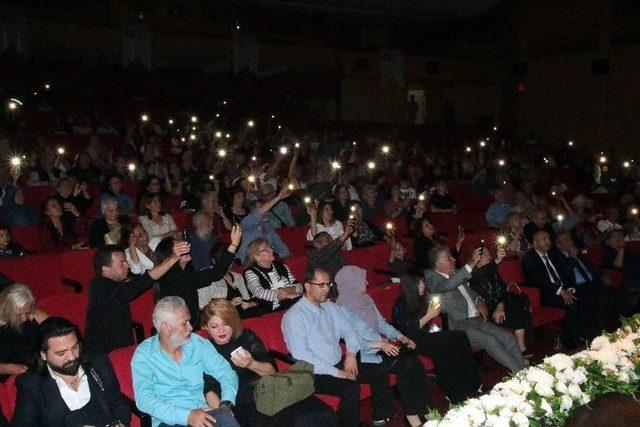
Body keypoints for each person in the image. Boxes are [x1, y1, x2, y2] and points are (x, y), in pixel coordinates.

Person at [202, 299, 337, 426]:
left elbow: (272, 370)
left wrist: (251, 364)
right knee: (298, 420)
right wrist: (225, 414)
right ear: (206, 327)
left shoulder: (246, 336)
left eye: (226, 323)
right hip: (244, 403)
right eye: (214, 326)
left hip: (272, 387)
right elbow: (210, 390)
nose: (221, 330)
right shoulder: (205, 350)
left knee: (323, 412)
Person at [335, 266, 432, 427]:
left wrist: (400, 336)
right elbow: (354, 341)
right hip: (363, 356)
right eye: (362, 280)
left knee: (415, 363)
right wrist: (381, 345)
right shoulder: (341, 309)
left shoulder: (366, 299)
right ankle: (412, 416)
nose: (367, 282)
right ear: (351, 283)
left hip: (382, 349)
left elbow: (381, 324)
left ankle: (426, 409)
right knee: (407, 364)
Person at [132, 296, 239, 427]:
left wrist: (226, 403)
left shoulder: (197, 343)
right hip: (169, 420)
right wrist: (186, 415)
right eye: (184, 323)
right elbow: (144, 399)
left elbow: (226, 372)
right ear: (166, 328)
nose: (190, 327)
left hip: (203, 412)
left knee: (224, 416)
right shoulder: (144, 354)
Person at [12, 317, 130, 427]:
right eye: (61, 353)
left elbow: (118, 401)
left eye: (75, 347)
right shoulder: (32, 384)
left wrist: (119, 423)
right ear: (43, 355)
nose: (72, 357)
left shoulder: (97, 363)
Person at [424, 245, 526, 372]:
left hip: (476, 319)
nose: (454, 260)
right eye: (449, 258)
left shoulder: (454, 273)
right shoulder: (431, 277)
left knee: (508, 337)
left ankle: (524, 369)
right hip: (459, 324)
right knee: (490, 340)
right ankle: (521, 373)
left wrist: (479, 300)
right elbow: (446, 286)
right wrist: (470, 264)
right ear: (437, 265)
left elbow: (469, 292)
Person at [281, 267, 361, 427]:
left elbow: (350, 331)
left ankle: (381, 416)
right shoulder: (295, 315)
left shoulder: (329, 306)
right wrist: (336, 372)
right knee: (350, 388)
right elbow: (302, 355)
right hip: (313, 373)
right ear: (308, 286)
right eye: (322, 285)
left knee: (378, 365)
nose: (327, 289)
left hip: (338, 362)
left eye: (329, 284)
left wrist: (351, 354)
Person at [84, 241, 191, 353]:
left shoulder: (110, 285)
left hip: (119, 348)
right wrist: (172, 259)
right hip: (102, 352)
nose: (128, 265)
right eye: (122, 263)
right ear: (105, 268)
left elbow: (141, 281)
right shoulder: (99, 286)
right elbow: (138, 285)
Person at [393, 275, 480, 403]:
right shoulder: (400, 303)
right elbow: (407, 331)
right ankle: (454, 395)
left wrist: (433, 315)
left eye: (423, 282)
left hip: (426, 336)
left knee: (460, 336)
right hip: (412, 341)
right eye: (418, 283)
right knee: (442, 348)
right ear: (410, 286)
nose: (422, 285)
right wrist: (428, 316)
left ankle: (473, 386)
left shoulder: (423, 299)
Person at [154, 225, 243, 327]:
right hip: (176, 330)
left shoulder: (183, 274)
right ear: (169, 255)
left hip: (189, 326)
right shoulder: (172, 278)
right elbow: (216, 273)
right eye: (180, 247)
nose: (186, 247)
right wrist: (234, 244)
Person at [522, 231, 599, 348]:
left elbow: (564, 274)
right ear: (535, 243)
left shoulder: (552, 255)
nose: (548, 241)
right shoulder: (529, 258)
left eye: (548, 238)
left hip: (561, 290)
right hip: (545, 293)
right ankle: (572, 339)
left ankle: (582, 333)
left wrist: (570, 288)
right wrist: (561, 291)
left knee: (589, 297)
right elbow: (540, 280)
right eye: (544, 239)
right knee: (573, 303)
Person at [470, 246, 532, 358]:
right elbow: (481, 274)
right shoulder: (472, 274)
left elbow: (504, 290)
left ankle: (521, 348)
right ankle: (521, 350)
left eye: (489, 253)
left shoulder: (493, 272)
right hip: (485, 314)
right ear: (475, 258)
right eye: (484, 254)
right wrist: (497, 260)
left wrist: (500, 305)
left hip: (500, 309)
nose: (488, 256)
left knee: (516, 303)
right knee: (517, 309)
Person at [197, 244, 261, 318]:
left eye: (230, 261)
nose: (228, 264)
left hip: (241, 315)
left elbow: (246, 300)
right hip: (221, 317)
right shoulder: (205, 275)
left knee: (259, 311)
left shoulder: (237, 277)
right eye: (224, 261)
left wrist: (250, 304)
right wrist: (229, 305)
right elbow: (203, 306)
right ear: (214, 261)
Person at [0, 284, 47, 382]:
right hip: (7, 375)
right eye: (18, 315)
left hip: (36, 370)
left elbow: (58, 333)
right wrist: (8, 368)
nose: (24, 319)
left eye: (27, 313)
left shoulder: (37, 317)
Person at [243, 237, 302, 311]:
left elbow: (299, 286)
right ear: (257, 257)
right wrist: (283, 295)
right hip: (275, 308)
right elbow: (259, 292)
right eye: (266, 249)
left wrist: (288, 290)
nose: (271, 250)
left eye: (270, 247)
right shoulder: (251, 272)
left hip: (294, 301)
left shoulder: (281, 265)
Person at [237, 187, 292, 261]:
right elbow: (257, 214)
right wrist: (278, 198)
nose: (266, 209)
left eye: (264, 206)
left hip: (264, 262)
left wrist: (288, 258)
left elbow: (279, 245)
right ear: (252, 211)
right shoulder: (245, 223)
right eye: (261, 207)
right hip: (247, 262)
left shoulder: (268, 226)